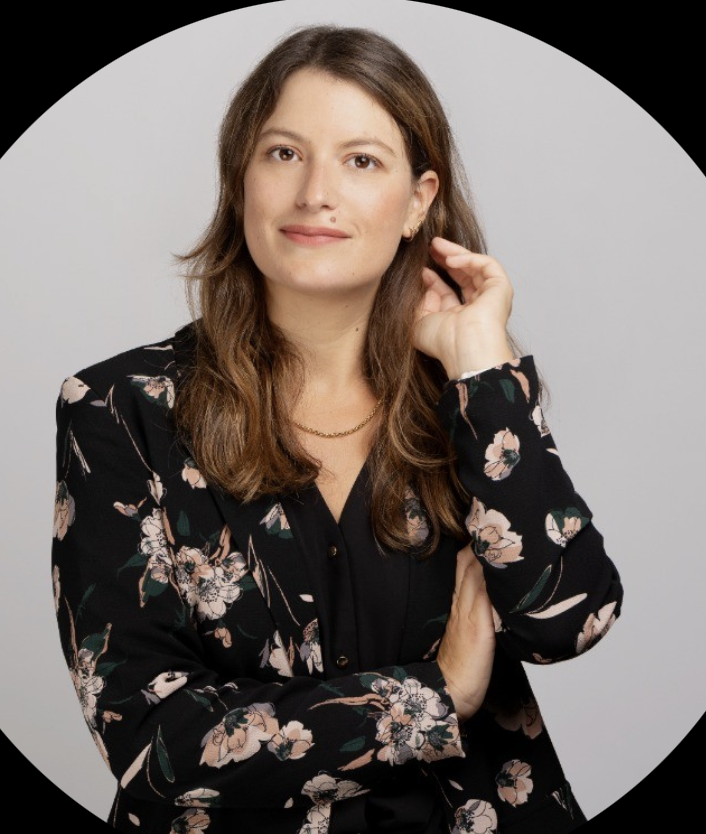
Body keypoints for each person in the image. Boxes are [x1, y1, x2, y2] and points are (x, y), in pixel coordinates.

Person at [51, 24, 624, 834]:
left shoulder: (467, 399)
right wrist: (434, 697)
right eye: (283, 153)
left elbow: (568, 623)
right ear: (240, 179)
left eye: (362, 161)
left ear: (417, 200)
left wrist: (483, 367)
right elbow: (150, 739)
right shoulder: (120, 409)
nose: (315, 191)